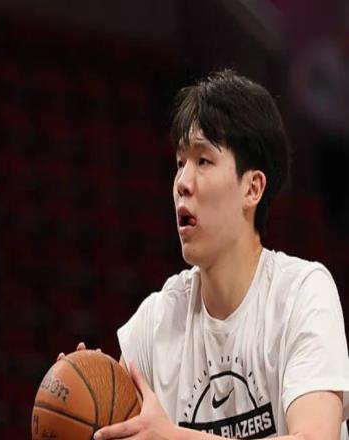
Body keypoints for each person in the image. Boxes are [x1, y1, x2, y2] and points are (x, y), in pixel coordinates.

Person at [66, 70, 349, 439]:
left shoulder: (302, 294)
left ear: (252, 188)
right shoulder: (156, 323)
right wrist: (84, 405)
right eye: (180, 163)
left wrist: (173, 437)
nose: (183, 183)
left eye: (203, 161)